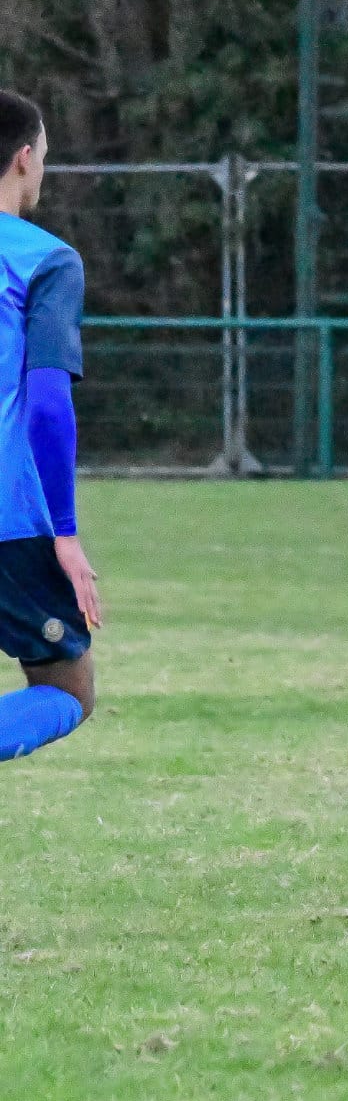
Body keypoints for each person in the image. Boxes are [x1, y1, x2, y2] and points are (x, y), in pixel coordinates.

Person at [0, 89, 100, 763]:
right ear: (23, 158)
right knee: (68, 691)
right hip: (12, 518)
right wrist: (64, 531)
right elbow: (45, 403)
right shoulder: (45, 259)